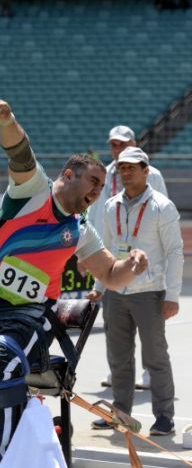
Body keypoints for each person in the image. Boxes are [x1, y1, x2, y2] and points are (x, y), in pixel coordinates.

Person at [0, 99, 147, 466]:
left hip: (30, 317)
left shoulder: (80, 230)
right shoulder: (33, 191)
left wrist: (133, 266)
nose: (98, 190)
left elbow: (109, 273)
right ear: (69, 173)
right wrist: (7, 120)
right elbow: (20, 153)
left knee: (1, 358)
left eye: (102, 186)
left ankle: (5, 457)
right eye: (94, 180)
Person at [89, 147, 183, 435]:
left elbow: (175, 252)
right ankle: (120, 412)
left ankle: (164, 417)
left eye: (132, 167)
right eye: (122, 168)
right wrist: (99, 287)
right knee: (119, 357)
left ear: (146, 170)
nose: (126, 172)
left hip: (149, 293)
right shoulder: (111, 206)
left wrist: (171, 296)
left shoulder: (161, 206)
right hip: (117, 293)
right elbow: (103, 250)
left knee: (155, 357)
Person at [88, 124, 167, 389]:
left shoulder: (152, 175)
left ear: (135, 144)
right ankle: (118, 372)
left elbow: (163, 214)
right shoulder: (102, 174)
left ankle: (148, 373)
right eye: (114, 144)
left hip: (142, 257)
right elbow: (94, 212)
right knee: (114, 321)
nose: (118, 149)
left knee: (147, 321)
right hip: (110, 253)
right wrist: (89, 250)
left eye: (123, 144)